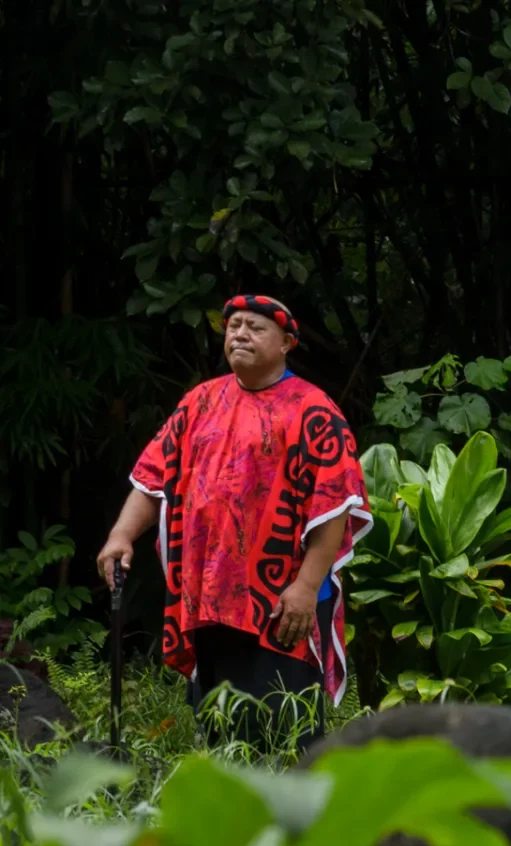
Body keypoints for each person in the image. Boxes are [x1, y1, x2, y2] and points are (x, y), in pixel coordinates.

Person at [96, 295, 369, 752]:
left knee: (286, 725)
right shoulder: (200, 401)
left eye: (255, 328)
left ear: (286, 343)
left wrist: (305, 587)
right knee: (222, 724)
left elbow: (335, 507)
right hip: (209, 592)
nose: (240, 334)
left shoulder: (313, 411)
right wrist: (121, 535)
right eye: (234, 326)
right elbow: (151, 477)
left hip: (282, 596)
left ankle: (300, 817)